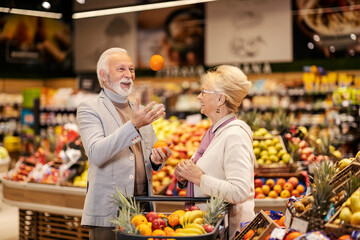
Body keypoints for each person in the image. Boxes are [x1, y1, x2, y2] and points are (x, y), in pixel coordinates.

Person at [77, 47, 172, 240]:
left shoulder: (140, 110)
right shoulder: (89, 108)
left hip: (143, 210)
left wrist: (157, 159)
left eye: (131, 69)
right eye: (121, 69)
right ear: (103, 75)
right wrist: (134, 125)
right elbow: (96, 153)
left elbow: (149, 156)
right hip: (109, 213)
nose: (129, 75)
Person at [174, 65, 255, 239]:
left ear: (220, 99)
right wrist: (185, 177)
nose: (198, 96)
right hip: (210, 229)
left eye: (204, 92)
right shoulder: (215, 132)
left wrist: (198, 178)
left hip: (228, 232)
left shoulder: (235, 135)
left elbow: (239, 191)